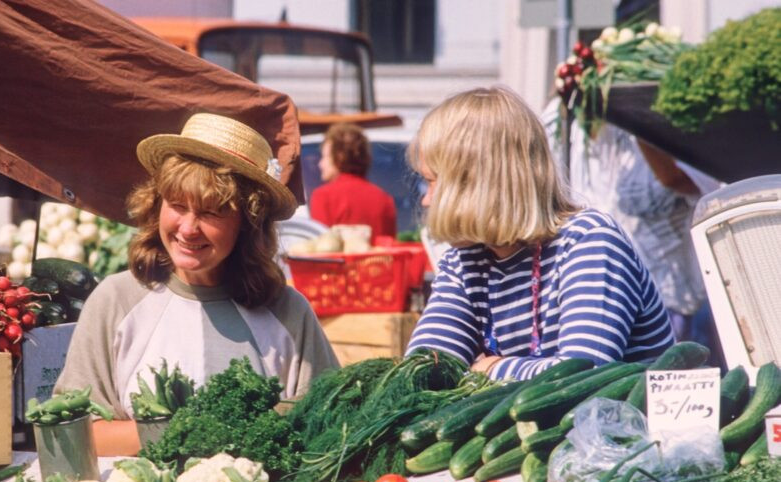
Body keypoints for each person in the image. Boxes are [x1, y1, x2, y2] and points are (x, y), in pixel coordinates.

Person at [55, 113, 339, 455]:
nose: (188, 229)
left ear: (248, 223)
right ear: (156, 205)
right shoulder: (116, 301)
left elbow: (329, 425)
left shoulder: (289, 312)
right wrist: (186, 432)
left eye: (212, 212)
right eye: (177, 205)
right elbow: (73, 435)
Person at [404, 87, 675, 380]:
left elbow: (583, 374)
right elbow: (423, 371)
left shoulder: (589, 242)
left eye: (431, 182)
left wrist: (491, 368)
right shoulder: (465, 261)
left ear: (476, 185)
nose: (426, 200)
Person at [544, 101, 722, 359]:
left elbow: (681, 180)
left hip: (666, 301)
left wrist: (635, 118)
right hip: (588, 296)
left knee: (661, 375)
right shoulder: (565, 113)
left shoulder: (664, 112)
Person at [308, 123, 397, 240]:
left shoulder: (323, 196)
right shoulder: (384, 199)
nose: (320, 164)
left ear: (340, 156)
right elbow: (389, 245)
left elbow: (323, 245)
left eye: (325, 157)